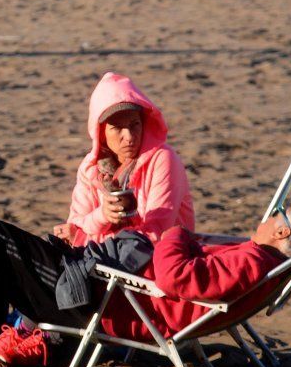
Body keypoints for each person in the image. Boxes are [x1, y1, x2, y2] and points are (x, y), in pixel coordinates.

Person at [0, 203, 291, 367]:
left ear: (281, 234)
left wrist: (175, 234)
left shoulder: (253, 260)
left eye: (280, 214)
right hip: (120, 296)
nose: (271, 213)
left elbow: (177, 278)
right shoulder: (260, 264)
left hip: (109, 303)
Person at [55, 72, 195, 248]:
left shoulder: (163, 159)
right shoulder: (91, 168)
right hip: (106, 263)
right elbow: (74, 224)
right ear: (101, 133)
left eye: (134, 125)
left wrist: (84, 239)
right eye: (117, 128)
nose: (128, 137)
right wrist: (102, 216)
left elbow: (153, 236)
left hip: (156, 267)